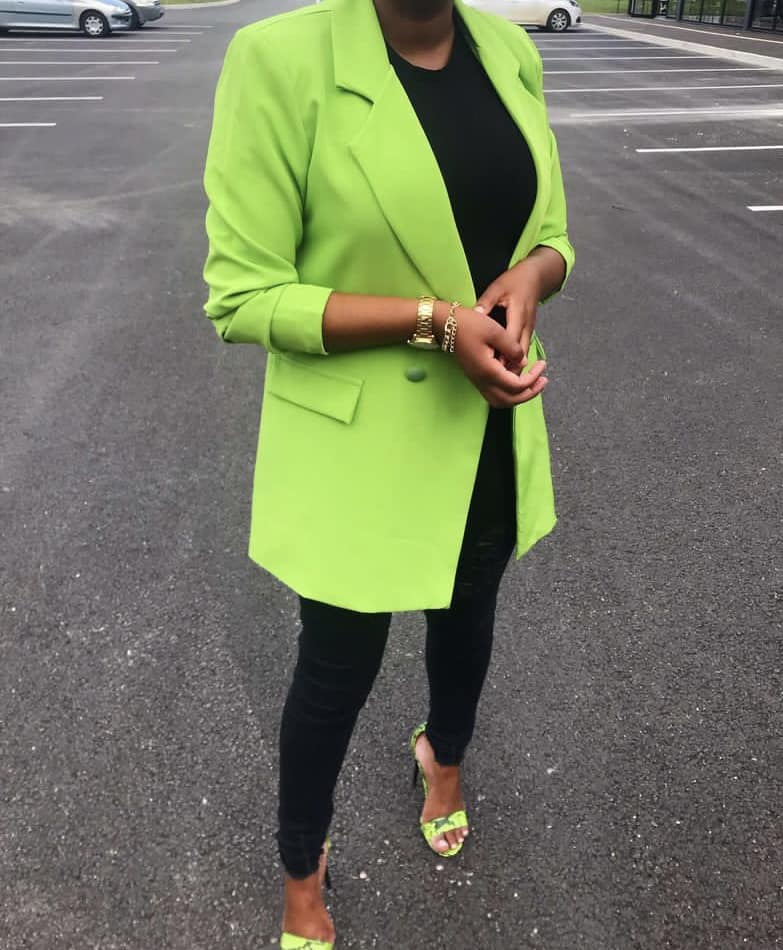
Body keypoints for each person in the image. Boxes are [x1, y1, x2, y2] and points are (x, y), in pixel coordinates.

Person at [202, 0, 574, 945]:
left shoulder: (509, 51)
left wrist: (533, 277)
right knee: (335, 671)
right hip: (356, 445)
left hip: (484, 422)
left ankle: (442, 758)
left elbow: (552, 233)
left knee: (468, 621)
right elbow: (243, 296)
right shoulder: (278, 58)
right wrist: (435, 322)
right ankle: (302, 873)